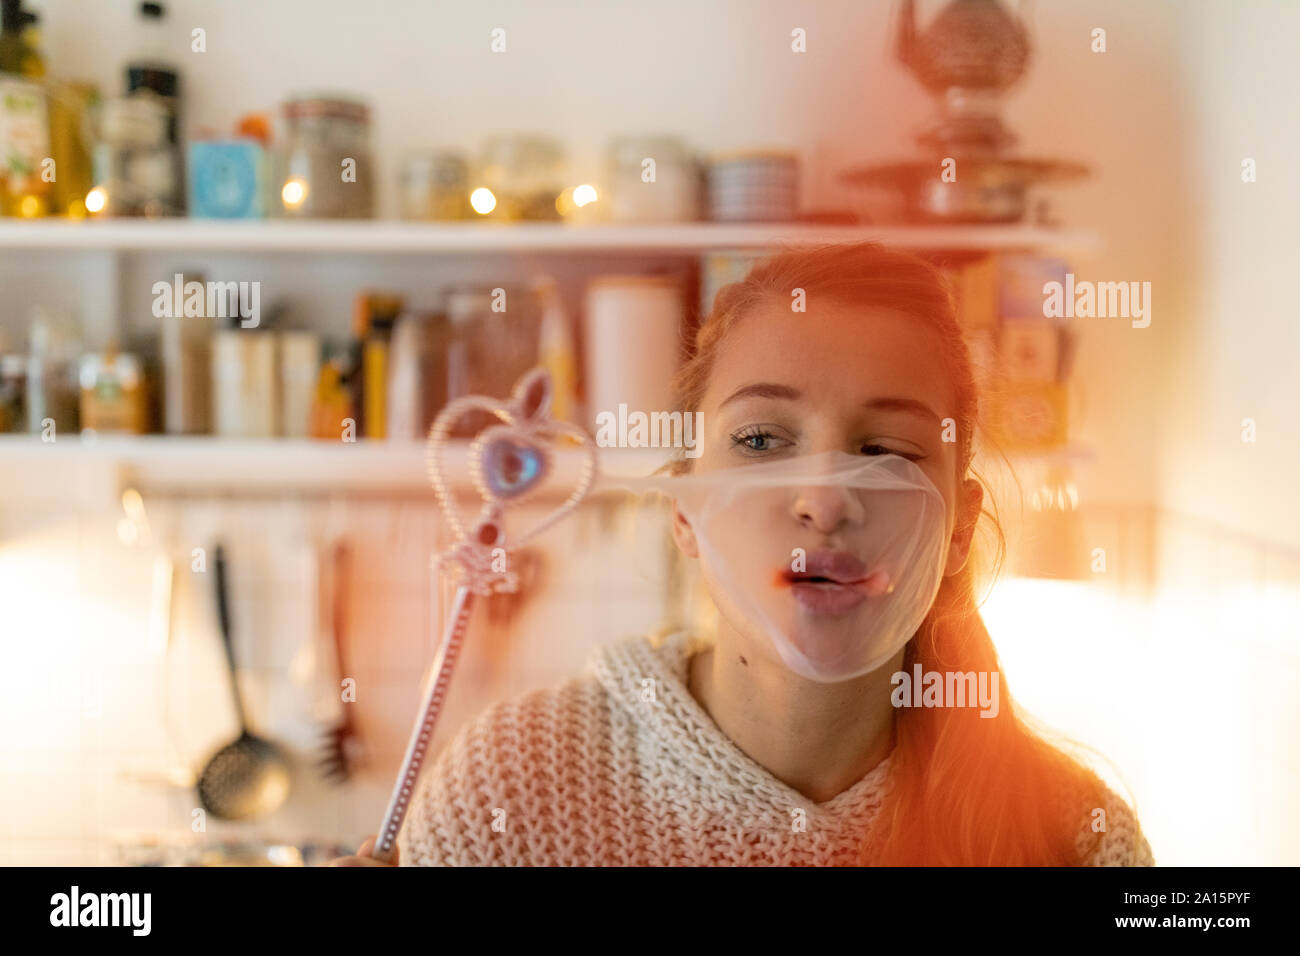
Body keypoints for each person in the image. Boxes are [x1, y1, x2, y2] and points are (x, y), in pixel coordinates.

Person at [330, 241, 1153, 867]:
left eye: (889, 450)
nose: (825, 499)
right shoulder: (506, 798)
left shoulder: (1076, 837)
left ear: (961, 527)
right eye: (761, 439)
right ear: (686, 510)